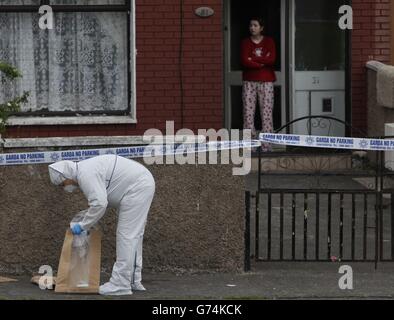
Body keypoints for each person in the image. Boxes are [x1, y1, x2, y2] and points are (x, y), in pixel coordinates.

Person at [48, 154, 155, 296]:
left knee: (126, 236)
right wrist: (87, 218)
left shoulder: (85, 174)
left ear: (66, 176)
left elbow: (99, 204)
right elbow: (99, 201)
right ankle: (133, 280)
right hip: (141, 183)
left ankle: (120, 284)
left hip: (137, 187)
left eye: (63, 184)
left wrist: (83, 225)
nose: (64, 188)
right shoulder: (86, 169)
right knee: (135, 236)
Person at [241, 17, 276, 151]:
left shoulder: (269, 41)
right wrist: (262, 61)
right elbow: (244, 60)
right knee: (248, 113)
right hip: (249, 81)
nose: (252, 28)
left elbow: (271, 59)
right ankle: (250, 145)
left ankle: (267, 145)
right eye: (250, 25)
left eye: (255, 25)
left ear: (261, 28)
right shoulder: (245, 43)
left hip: (266, 81)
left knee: (266, 113)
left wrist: (253, 59)